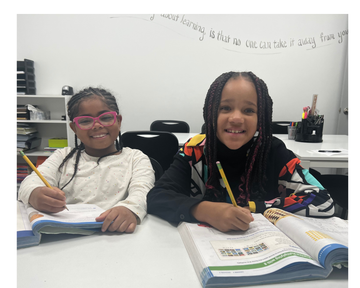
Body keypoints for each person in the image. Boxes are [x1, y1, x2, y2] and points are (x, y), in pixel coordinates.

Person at [147, 71, 334, 232]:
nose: (236, 118)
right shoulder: (195, 150)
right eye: (225, 108)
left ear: (261, 118)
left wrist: (256, 207)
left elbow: (323, 200)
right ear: (211, 114)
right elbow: (157, 197)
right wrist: (205, 210)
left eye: (248, 110)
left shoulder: (272, 150)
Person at [19, 87, 155, 233]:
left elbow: (142, 192)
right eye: (85, 121)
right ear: (74, 128)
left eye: (106, 118)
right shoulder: (62, 156)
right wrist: (35, 194)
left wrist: (130, 208)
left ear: (118, 121)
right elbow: (29, 184)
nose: (97, 125)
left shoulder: (136, 158)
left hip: (116, 237)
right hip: (66, 238)